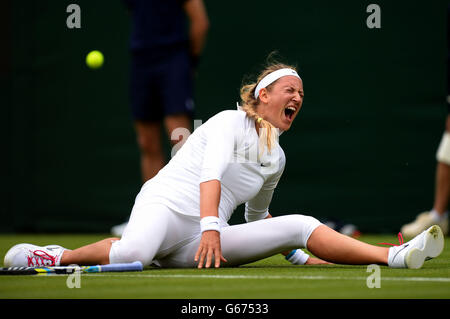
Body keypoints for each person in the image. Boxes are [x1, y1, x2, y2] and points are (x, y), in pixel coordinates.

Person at [4, 62, 444, 270]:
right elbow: (211, 175)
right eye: (289, 90)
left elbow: (256, 219)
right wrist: (213, 229)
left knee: (301, 223)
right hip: (165, 207)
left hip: (198, 240)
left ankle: (394, 256)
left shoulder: (277, 157)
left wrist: (300, 256)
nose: (296, 98)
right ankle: (53, 256)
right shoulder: (229, 121)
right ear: (262, 96)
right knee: (136, 252)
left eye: (302, 96)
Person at [111, 0, 209, 236]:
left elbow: (201, 23)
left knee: (180, 139)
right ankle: (148, 217)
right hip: (141, 60)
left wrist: (190, 62)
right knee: (147, 142)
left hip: (173, 59)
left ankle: (192, 215)